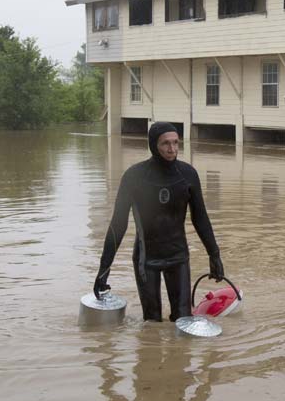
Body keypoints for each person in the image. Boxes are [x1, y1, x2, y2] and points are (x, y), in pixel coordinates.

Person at [94, 122, 225, 321]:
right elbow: (117, 225)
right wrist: (104, 269)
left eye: (175, 143)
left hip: (178, 256)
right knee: (152, 322)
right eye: (165, 143)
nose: (172, 149)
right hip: (146, 259)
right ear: (153, 145)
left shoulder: (188, 174)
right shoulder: (134, 176)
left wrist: (214, 255)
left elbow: (201, 219)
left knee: (183, 319)